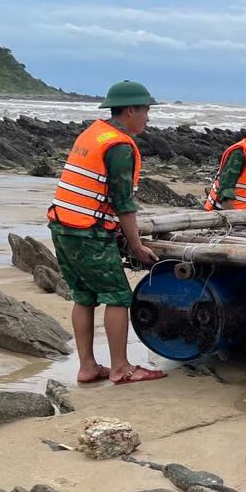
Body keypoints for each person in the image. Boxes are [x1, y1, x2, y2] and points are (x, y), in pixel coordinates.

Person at [47, 80, 165, 385]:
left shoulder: (93, 133)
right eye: (146, 111)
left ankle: (87, 366)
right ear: (130, 110)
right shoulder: (119, 146)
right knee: (118, 296)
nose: (148, 118)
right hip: (89, 233)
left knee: (84, 296)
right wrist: (137, 246)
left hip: (63, 226)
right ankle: (121, 367)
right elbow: (123, 203)